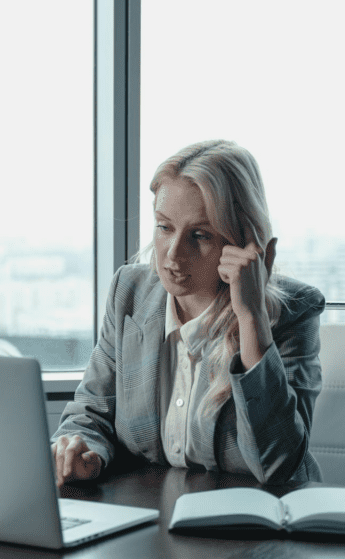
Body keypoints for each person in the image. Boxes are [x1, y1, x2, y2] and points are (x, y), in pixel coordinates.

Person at [51, 140, 324, 486]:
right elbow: (91, 414)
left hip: (252, 528)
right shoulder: (130, 293)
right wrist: (81, 450)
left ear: (242, 240)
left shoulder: (293, 311)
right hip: (153, 518)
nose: (173, 255)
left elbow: (280, 466)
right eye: (164, 227)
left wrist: (251, 317)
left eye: (200, 235)